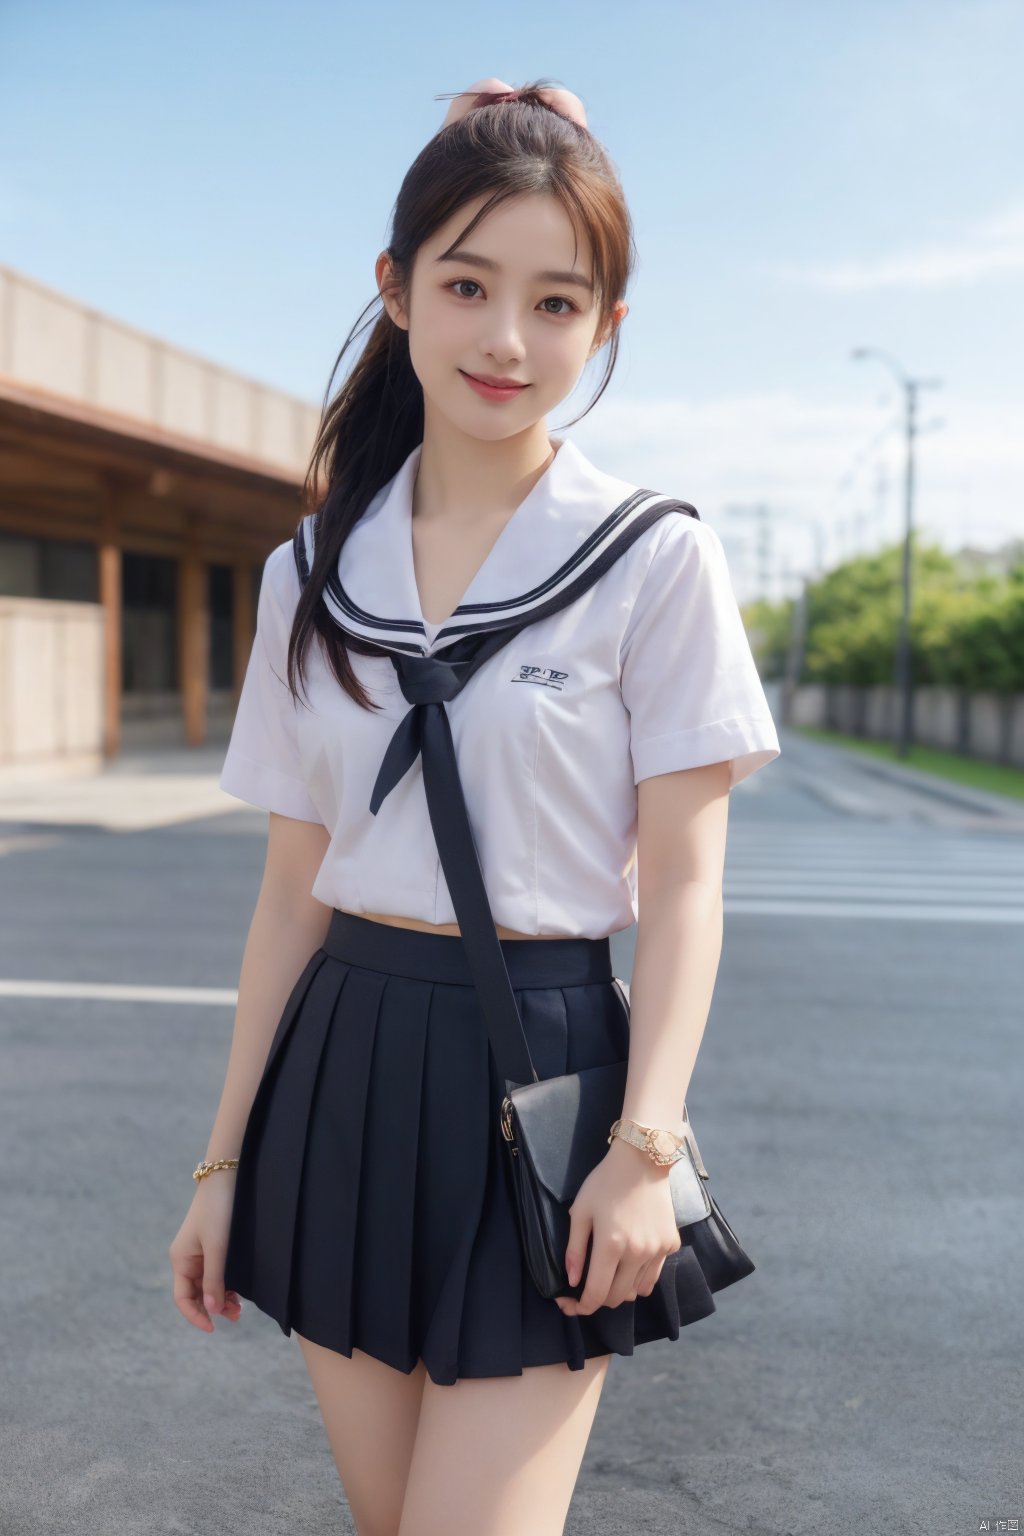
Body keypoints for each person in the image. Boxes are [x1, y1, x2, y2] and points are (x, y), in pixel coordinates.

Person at [168, 76, 781, 1536]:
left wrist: (645, 1150)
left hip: (551, 1076)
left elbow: (687, 889)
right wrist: (220, 1166)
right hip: (341, 1071)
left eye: (558, 302)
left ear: (605, 327)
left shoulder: (650, 558)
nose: (507, 339)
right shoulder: (309, 576)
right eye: (466, 284)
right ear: (395, 292)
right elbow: (287, 900)